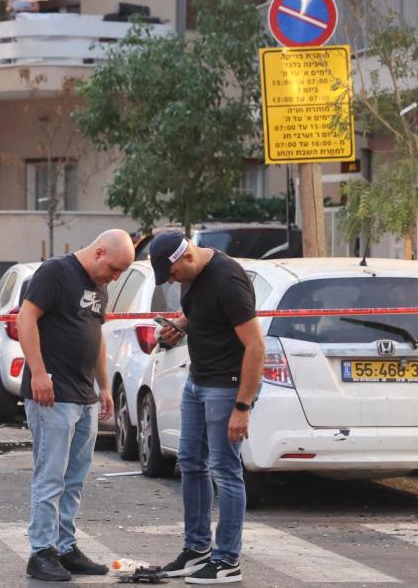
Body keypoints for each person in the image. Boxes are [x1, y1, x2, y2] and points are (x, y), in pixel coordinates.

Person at [16, 229, 134, 582]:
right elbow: (26, 319)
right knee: (50, 477)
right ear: (99, 252)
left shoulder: (100, 287)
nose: (114, 278)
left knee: (75, 479)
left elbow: (95, 336)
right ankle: (41, 552)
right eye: (113, 269)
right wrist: (38, 374)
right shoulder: (55, 273)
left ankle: (65, 547)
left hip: (83, 396)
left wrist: (104, 386)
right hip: (52, 395)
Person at [147, 231, 264, 585]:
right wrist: (179, 327)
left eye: (171, 274)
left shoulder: (228, 279)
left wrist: (242, 406)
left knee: (225, 470)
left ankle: (227, 559)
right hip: (197, 381)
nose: (171, 281)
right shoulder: (192, 276)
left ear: (185, 258)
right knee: (190, 463)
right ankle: (197, 550)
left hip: (225, 387)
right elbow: (202, 315)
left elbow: (256, 347)